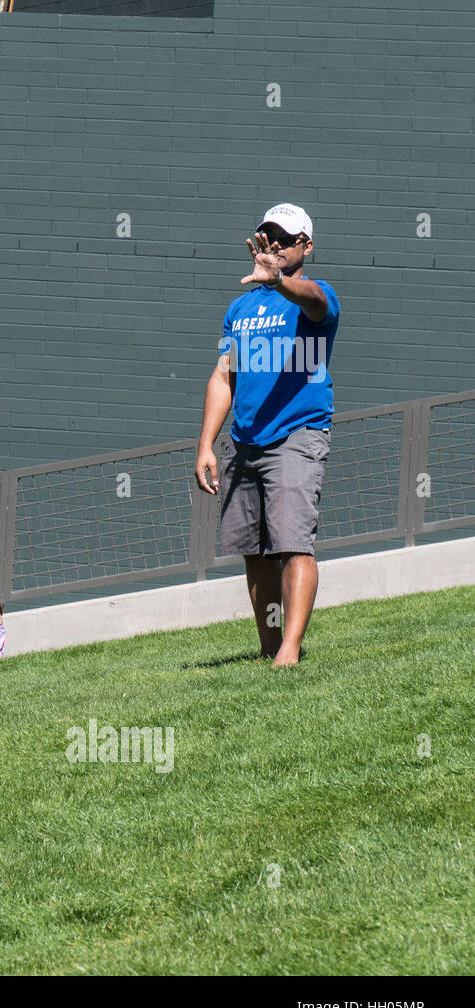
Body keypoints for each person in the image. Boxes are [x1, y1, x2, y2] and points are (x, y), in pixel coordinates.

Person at [194, 203, 340, 668]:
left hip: (297, 436)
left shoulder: (315, 296)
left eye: (285, 237)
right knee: (254, 552)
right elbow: (223, 376)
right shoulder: (239, 308)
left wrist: (280, 283)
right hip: (244, 441)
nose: (275, 243)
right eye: (268, 235)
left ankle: (290, 651)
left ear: (306, 246)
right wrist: (206, 445)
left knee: (294, 544)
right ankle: (269, 645)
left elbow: (314, 301)